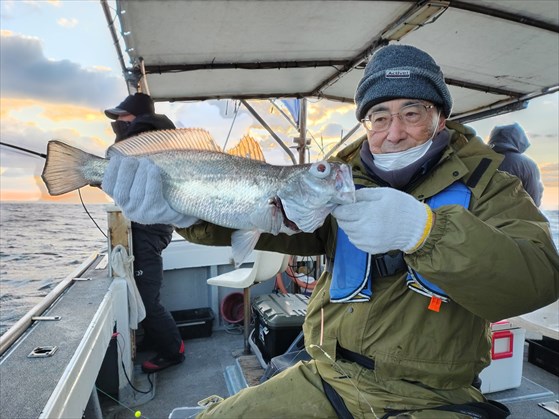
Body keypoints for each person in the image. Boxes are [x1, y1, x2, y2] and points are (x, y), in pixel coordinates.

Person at [103, 46, 559, 418]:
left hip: (434, 396)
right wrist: (187, 214)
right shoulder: (342, 181)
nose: (394, 132)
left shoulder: (490, 183)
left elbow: (539, 277)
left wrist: (425, 231)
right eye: (379, 116)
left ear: (440, 117)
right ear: (366, 123)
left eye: (412, 112)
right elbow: (270, 224)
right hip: (327, 377)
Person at [104, 92, 185, 374]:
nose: (117, 120)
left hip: (149, 229)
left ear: (137, 117)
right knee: (144, 293)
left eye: (122, 116)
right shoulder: (147, 137)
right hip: (147, 227)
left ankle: (173, 351)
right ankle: (156, 337)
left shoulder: (144, 139)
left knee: (147, 299)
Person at [488, 122, 544, 206]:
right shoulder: (528, 165)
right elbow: (533, 202)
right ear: (520, 140)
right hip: (514, 214)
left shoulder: (478, 160)